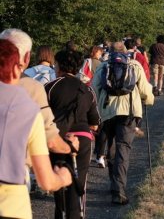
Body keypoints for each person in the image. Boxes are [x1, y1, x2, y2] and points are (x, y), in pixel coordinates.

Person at [0, 39, 72, 219]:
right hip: (10, 202)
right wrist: (63, 177)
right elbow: (47, 181)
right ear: (19, 65)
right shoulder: (27, 109)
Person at [0, 29, 79, 163]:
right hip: (12, 170)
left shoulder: (30, 73)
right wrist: (70, 147)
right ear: (26, 57)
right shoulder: (31, 86)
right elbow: (50, 139)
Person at [92, 42, 154, 205]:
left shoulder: (103, 66)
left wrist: (95, 113)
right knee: (123, 150)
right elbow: (145, 91)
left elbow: (94, 89)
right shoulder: (135, 65)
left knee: (111, 150)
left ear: (109, 53)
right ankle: (119, 191)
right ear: (125, 52)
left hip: (107, 112)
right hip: (129, 113)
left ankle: (115, 185)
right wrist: (149, 100)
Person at [45, 49, 100, 219]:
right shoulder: (87, 90)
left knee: (58, 183)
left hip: (58, 138)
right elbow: (95, 123)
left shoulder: (50, 87)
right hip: (82, 139)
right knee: (78, 184)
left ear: (59, 65)